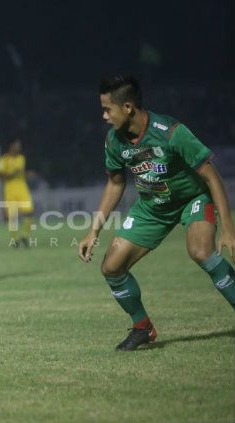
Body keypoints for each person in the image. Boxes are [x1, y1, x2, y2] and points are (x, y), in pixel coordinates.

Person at [79, 75, 235, 351]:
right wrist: (94, 230)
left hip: (192, 199)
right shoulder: (114, 141)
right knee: (111, 267)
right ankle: (143, 328)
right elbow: (115, 184)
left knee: (201, 252)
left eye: (107, 109)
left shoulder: (171, 132)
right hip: (152, 206)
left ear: (127, 107)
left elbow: (212, 177)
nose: (103, 116)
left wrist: (228, 228)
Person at [0, 139, 34, 247]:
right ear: (11, 146)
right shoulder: (3, 160)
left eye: (19, 146)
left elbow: (21, 172)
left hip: (22, 187)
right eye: (17, 146)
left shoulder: (22, 158)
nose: (19, 148)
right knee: (12, 215)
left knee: (29, 211)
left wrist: (27, 174)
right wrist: (12, 174)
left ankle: (25, 236)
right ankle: (14, 239)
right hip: (10, 189)